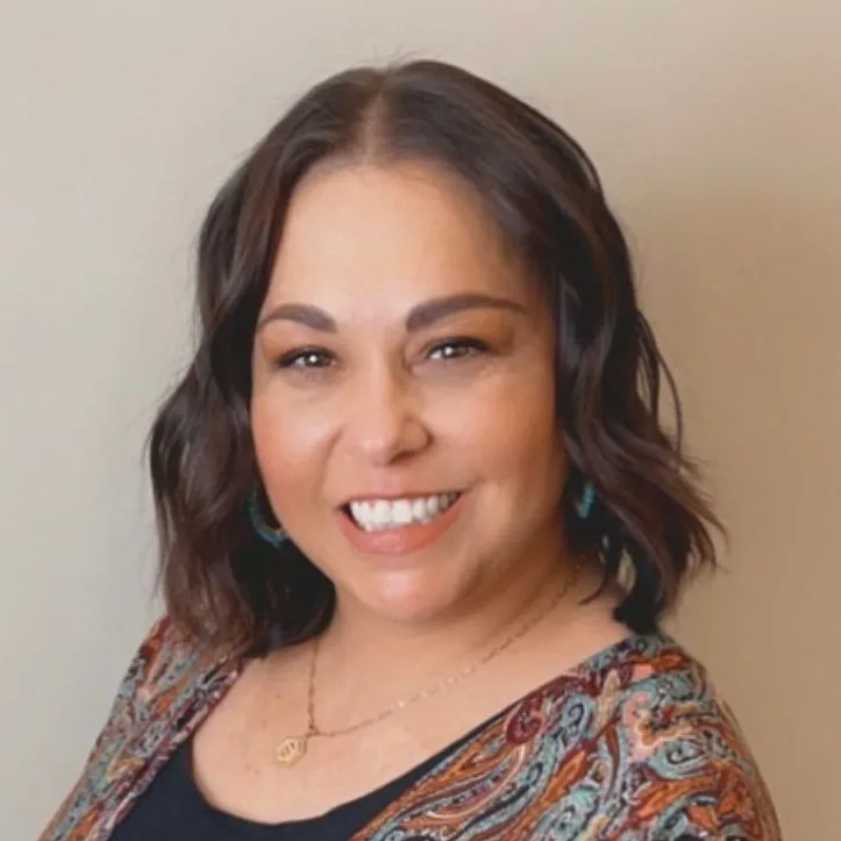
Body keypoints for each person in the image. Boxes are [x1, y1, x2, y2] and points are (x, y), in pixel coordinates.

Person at [39, 59, 782, 841]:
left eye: (453, 348)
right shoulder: (194, 655)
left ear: (574, 372)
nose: (382, 432)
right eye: (310, 357)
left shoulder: (662, 793)